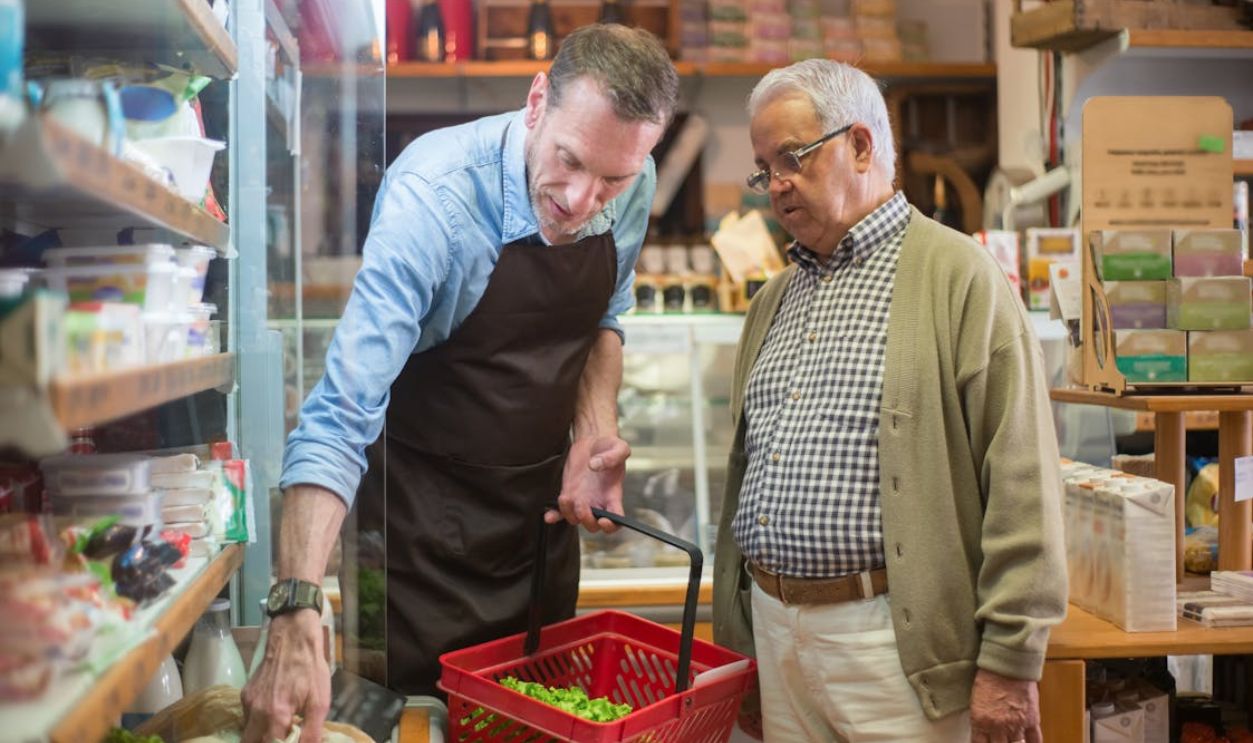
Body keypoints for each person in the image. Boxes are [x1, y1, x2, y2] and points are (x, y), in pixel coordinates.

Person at [241, 24, 679, 743]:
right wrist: (294, 608)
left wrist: (593, 429)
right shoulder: (434, 198)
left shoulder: (632, 177)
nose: (581, 199)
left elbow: (606, 311)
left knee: (538, 719)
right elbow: (340, 414)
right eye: (567, 161)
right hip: (414, 539)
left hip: (533, 529)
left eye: (612, 180)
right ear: (536, 101)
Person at [711, 59, 1067, 743]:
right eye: (763, 168)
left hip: (892, 646)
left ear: (861, 145)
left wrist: (1010, 658)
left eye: (791, 157)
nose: (774, 185)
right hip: (777, 634)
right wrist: (743, 644)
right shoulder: (772, 301)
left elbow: (1021, 481)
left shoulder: (958, 275)